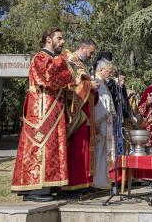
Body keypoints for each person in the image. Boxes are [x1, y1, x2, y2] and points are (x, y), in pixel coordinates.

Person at [11, 27, 74, 202]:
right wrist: (65, 65)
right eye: (59, 38)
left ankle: (48, 186)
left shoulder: (53, 59)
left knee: (53, 147)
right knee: (40, 146)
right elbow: (50, 78)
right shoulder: (41, 57)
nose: (63, 42)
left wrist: (66, 71)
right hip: (41, 112)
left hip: (53, 109)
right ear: (48, 39)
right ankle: (35, 189)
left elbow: (67, 79)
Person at [63, 39, 99, 192]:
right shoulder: (70, 61)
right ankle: (74, 184)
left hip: (86, 112)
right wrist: (89, 85)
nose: (91, 56)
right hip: (76, 113)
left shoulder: (81, 64)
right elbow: (68, 85)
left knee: (84, 148)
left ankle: (84, 182)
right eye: (91, 52)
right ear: (83, 48)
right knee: (77, 148)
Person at [92, 59, 116, 189]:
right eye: (108, 70)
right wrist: (97, 122)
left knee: (103, 151)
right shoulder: (96, 82)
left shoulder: (102, 83)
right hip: (99, 124)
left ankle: (102, 179)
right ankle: (97, 181)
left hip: (104, 124)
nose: (110, 73)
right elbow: (98, 105)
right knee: (98, 151)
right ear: (101, 70)